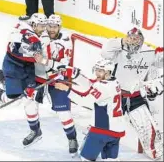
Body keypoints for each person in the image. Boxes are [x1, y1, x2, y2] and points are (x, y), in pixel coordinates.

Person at [0, 14, 79, 156]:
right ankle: (35, 131)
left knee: (63, 112)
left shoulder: (66, 41)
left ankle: (72, 138)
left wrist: (47, 63)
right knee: (28, 103)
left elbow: (63, 65)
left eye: (55, 26)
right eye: (48, 26)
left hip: (56, 78)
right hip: (37, 76)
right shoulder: (37, 36)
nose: (51, 29)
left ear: (60, 27)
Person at [100, 27, 163, 159]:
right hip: (116, 96)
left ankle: (155, 153)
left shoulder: (148, 53)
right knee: (106, 127)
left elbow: (158, 65)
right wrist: (122, 42)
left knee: (147, 128)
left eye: (137, 39)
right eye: (131, 38)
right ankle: (93, 149)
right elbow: (105, 52)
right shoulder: (117, 52)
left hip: (136, 97)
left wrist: (152, 86)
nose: (134, 41)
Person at [0, 12, 47, 145]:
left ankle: (35, 130)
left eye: (43, 26)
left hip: (19, 65)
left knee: (28, 100)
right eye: (40, 26)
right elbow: (38, 58)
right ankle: (0, 89)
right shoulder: (31, 40)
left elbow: (22, 24)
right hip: (16, 67)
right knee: (15, 100)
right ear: (33, 24)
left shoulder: (21, 26)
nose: (42, 29)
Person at [54, 59, 125, 161]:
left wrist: (66, 90)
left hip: (102, 130)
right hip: (117, 130)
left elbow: (85, 101)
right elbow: (92, 85)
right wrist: (74, 73)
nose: (97, 73)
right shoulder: (114, 81)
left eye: (100, 71)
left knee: (86, 158)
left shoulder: (102, 87)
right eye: (96, 70)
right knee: (110, 160)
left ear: (108, 71)